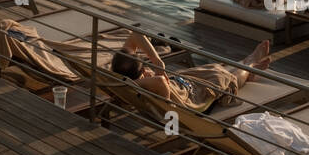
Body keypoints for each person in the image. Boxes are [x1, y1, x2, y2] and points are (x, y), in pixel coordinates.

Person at [111, 32, 271, 105]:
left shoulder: (124, 75)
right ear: (140, 73)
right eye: (144, 67)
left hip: (182, 81)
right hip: (193, 95)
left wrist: (156, 60)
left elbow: (135, 36)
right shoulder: (141, 85)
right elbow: (160, 81)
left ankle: (246, 63)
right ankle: (250, 64)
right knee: (227, 79)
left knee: (214, 68)